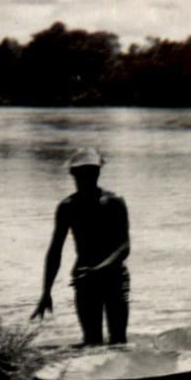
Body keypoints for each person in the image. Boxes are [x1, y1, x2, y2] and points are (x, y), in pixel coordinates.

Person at [32, 148, 131, 346]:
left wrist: (99, 269)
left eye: (92, 172)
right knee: (92, 341)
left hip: (114, 277)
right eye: (82, 173)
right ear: (73, 174)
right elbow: (55, 251)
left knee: (118, 340)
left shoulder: (114, 202)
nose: (88, 178)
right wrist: (46, 291)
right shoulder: (68, 207)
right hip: (85, 279)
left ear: (99, 172)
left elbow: (124, 246)